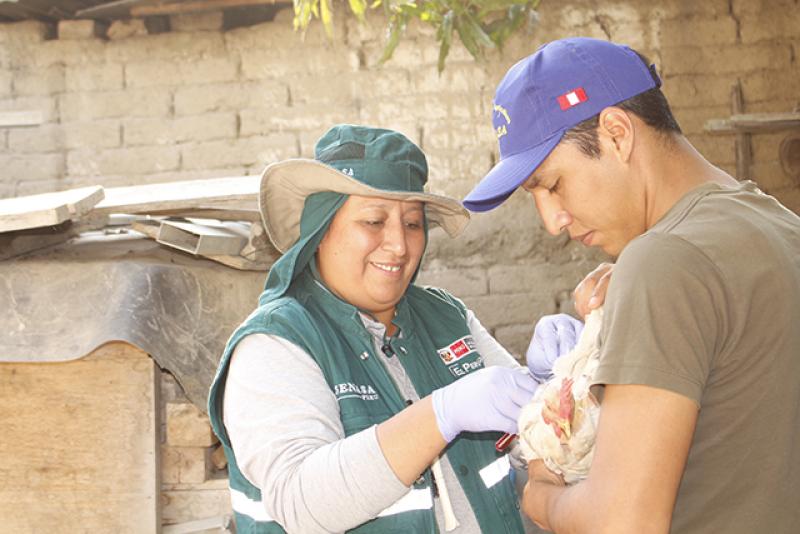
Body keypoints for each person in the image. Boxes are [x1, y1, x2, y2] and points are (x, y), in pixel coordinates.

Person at [463, 37, 800, 533]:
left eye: (552, 185)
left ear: (617, 133)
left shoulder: (663, 262)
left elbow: (622, 523)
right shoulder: (777, 224)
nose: (552, 221)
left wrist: (538, 490)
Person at [207, 124, 579, 534]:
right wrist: (441, 414)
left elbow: (534, 443)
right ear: (321, 229)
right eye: (373, 221)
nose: (399, 245)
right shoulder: (275, 344)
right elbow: (302, 502)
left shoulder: (447, 317)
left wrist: (550, 387)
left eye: (413, 224)